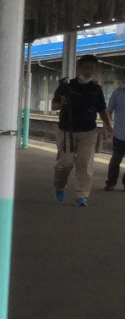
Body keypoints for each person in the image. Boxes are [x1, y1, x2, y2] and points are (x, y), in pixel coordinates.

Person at [52, 54, 112, 206]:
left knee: (85, 164)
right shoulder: (67, 86)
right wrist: (63, 103)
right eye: (86, 68)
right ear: (79, 68)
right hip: (67, 130)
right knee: (65, 163)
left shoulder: (96, 89)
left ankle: (81, 196)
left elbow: (102, 109)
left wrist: (108, 125)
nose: (89, 71)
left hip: (88, 131)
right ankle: (59, 185)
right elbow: (54, 106)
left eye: (92, 69)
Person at [103, 77, 125, 190]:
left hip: (120, 131)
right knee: (116, 158)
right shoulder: (117, 93)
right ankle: (110, 183)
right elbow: (109, 110)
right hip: (120, 132)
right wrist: (106, 126)